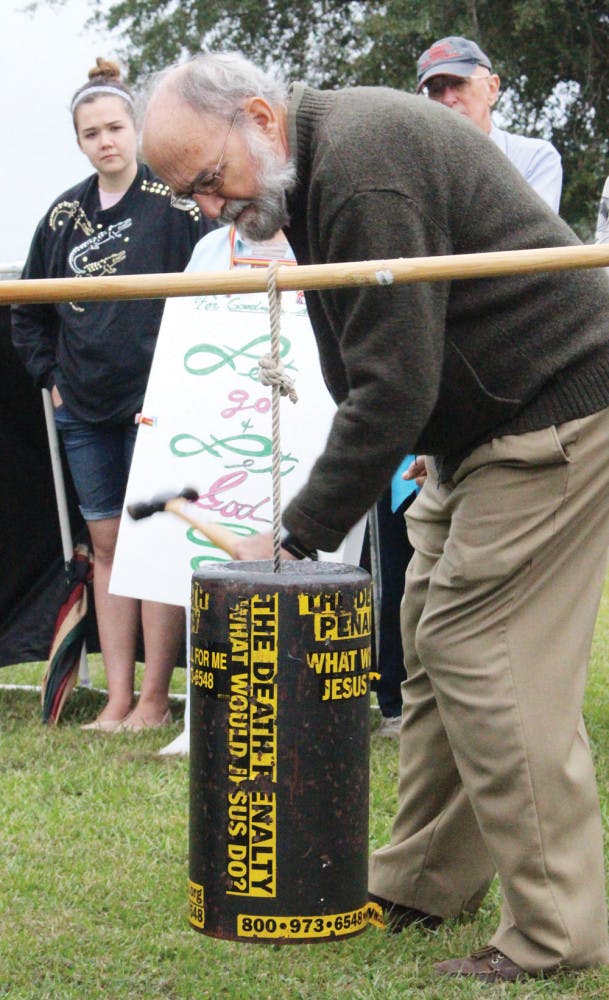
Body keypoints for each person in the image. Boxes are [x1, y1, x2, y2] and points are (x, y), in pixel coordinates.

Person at [140, 52, 609, 982]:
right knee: (431, 646)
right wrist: (427, 438)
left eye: (206, 180)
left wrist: (295, 534)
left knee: (484, 653)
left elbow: (392, 386)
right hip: (479, 428)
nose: (206, 208)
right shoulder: (318, 161)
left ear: (261, 121)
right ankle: (421, 883)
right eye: (186, 193)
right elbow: (377, 363)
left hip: (553, 412)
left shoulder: (362, 165)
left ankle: (561, 936)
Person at [11, 59, 214, 732]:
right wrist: (52, 378)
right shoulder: (64, 215)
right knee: (107, 549)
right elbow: (27, 310)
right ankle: (117, 698)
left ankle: (156, 699)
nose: (106, 141)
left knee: (157, 547)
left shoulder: (177, 206)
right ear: (79, 142)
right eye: (91, 132)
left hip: (158, 406)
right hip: (83, 411)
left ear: (136, 127)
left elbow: (214, 293)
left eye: (116, 127)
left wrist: (186, 383)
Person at [416, 35, 562, 211]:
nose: (448, 99)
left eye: (459, 83)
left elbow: (535, 235)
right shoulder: (415, 171)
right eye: (436, 89)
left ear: (492, 89)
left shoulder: (533, 158)